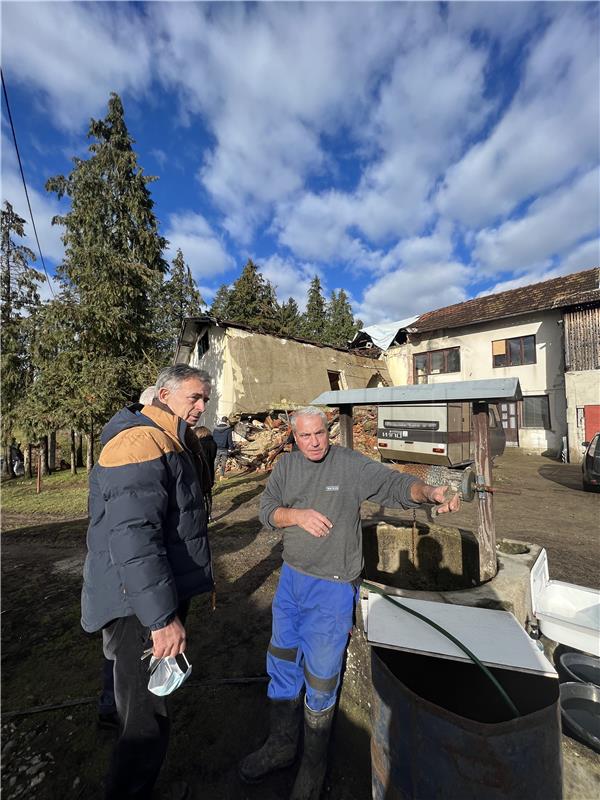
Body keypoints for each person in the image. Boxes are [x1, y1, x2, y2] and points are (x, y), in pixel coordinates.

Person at [239, 406, 460, 799]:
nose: (313, 442)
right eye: (304, 436)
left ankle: (313, 765)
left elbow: (395, 486)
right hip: (291, 582)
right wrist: (295, 515)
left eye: (319, 434)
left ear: (329, 432)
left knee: (322, 676)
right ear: (293, 437)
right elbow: (266, 511)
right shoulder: (286, 468)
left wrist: (429, 492)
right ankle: (281, 744)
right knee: (282, 660)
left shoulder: (349, 466)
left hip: (333, 588)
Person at [81, 364, 214, 799]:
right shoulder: (140, 440)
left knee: (133, 697)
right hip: (137, 604)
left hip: (143, 594)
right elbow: (135, 538)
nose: (200, 406)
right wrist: (161, 619)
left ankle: (111, 713)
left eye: (204, 399)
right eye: (193, 397)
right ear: (163, 394)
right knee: (145, 722)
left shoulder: (167, 437)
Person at [193, 425, 217, 521]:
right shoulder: (213, 444)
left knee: (199, 497)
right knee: (208, 495)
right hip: (210, 473)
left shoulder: (197, 445)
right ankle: (208, 515)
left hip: (198, 474)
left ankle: (200, 516)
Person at [213, 415, 234, 479]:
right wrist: (231, 448)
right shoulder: (228, 429)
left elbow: (213, 438)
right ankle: (221, 476)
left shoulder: (215, 429)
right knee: (223, 462)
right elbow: (229, 439)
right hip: (224, 448)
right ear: (227, 421)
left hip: (216, 448)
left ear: (221, 421)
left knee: (215, 462)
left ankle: (211, 475)